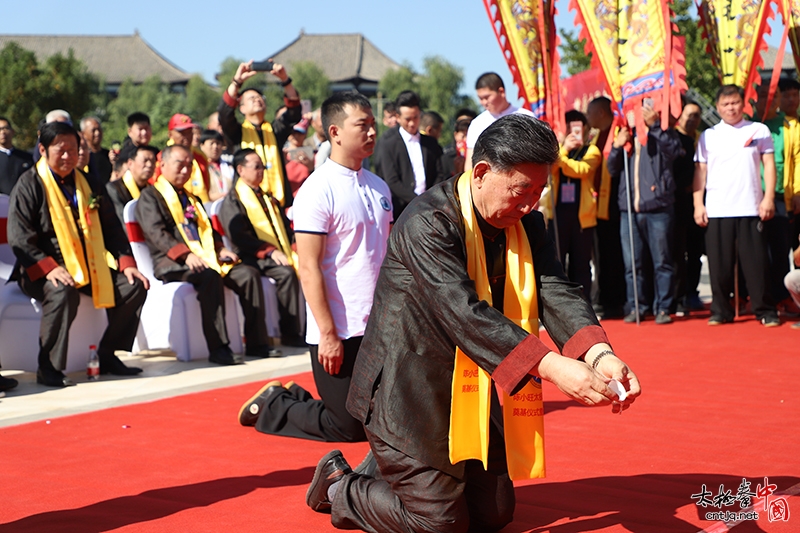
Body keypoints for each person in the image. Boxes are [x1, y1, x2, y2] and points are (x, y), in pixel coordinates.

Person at [305, 114, 640, 532]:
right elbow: (464, 313)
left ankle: (392, 467)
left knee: (494, 514)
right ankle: (342, 486)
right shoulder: (427, 221)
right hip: (406, 390)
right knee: (440, 525)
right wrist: (553, 367)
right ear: (480, 173)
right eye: (521, 190)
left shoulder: (526, 222)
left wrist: (598, 352)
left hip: (471, 385)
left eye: (539, 192)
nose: (530, 204)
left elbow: (555, 289)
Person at [238, 92, 392, 442]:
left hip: (380, 324)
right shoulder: (317, 190)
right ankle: (276, 403)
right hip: (338, 325)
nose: (371, 133)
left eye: (373, 125)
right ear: (335, 132)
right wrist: (327, 333)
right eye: (362, 126)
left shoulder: (379, 188)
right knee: (347, 428)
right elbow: (308, 267)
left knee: (385, 420)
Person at [7, 122, 149, 387]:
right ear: (42, 150)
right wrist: (49, 268)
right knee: (62, 290)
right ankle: (48, 366)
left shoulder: (89, 182)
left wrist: (126, 263)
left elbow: (112, 230)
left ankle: (107, 354)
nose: (67, 156)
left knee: (134, 286)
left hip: (88, 266)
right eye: (60, 150)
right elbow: (19, 238)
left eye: (73, 149)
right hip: (41, 270)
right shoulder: (29, 184)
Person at [136, 144, 277, 364]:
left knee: (248, 274)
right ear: (162, 164)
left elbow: (209, 232)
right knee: (210, 278)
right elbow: (157, 233)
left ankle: (257, 343)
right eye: (179, 165)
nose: (184, 170)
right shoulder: (149, 196)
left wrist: (221, 249)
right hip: (173, 262)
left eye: (188, 166)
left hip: (206, 258)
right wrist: (185, 255)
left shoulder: (193, 199)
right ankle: (219, 348)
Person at [693, 85, 780, 326]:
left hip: (751, 207)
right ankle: (721, 310)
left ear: (743, 104)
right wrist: (698, 204)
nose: (730, 108)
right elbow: (700, 172)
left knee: (757, 264)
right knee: (719, 265)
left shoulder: (758, 130)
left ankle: (764, 310)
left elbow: (769, 166)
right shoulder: (708, 135)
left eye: (735, 103)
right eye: (725, 104)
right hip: (718, 208)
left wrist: (768, 197)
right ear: (718, 107)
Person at [218, 148, 305, 347]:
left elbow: (285, 226)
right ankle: (285, 334)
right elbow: (239, 237)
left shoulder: (266, 197)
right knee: (285, 273)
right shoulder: (233, 201)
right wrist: (270, 251)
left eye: (262, 167)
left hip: (273, 254)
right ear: (240, 169)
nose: (261, 171)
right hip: (250, 256)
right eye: (256, 167)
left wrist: (295, 245)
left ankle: (300, 329)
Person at [607, 101, 682, 324]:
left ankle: (664, 308)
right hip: (629, 209)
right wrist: (617, 146)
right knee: (633, 263)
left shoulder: (662, 131)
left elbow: (675, 152)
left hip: (658, 207)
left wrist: (656, 127)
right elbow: (612, 169)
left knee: (662, 261)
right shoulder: (626, 135)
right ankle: (637, 306)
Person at [218, 60, 301, 208]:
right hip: (247, 205)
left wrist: (285, 80)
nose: (257, 100)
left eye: (260, 98)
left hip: (278, 202)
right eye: (251, 98)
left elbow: (294, 112)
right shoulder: (237, 133)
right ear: (242, 108)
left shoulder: (274, 130)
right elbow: (224, 112)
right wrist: (237, 81)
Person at [542, 110, 601, 301]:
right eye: (569, 126)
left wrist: (562, 157)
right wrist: (563, 149)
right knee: (557, 261)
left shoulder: (591, 150)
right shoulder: (556, 150)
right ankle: (559, 303)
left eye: (577, 127)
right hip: (558, 214)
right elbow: (549, 168)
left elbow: (583, 169)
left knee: (581, 264)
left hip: (582, 217)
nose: (573, 131)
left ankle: (584, 305)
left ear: (585, 129)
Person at [754, 83, 800, 314]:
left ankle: (782, 297)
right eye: (763, 96)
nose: (769, 101)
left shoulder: (790, 125)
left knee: (780, 249)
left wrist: (798, 190)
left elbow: (797, 159)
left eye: (774, 97)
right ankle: (752, 296)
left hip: (781, 197)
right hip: (749, 198)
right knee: (754, 251)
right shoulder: (748, 125)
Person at [372, 90, 445, 219]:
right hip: (400, 212)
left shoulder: (431, 143)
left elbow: (440, 173)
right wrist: (416, 201)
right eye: (407, 119)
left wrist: (429, 198)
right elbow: (391, 180)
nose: (412, 123)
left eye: (415, 117)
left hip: (429, 210)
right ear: (398, 117)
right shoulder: (388, 144)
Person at [586, 96, 626, 318]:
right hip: (597, 205)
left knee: (614, 254)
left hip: (614, 203)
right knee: (601, 254)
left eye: (590, 112)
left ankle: (615, 300)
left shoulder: (617, 133)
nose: (587, 116)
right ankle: (604, 298)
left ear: (601, 112)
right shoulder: (596, 136)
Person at [672, 100, 706, 315]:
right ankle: (678, 296)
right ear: (680, 115)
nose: (693, 119)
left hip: (698, 205)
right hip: (677, 205)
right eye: (689, 114)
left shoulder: (702, 139)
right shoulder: (672, 138)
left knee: (695, 253)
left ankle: (692, 292)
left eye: (697, 116)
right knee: (677, 254)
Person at [464, 72, 534, 171]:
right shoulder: (477, 124)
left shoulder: (526, 117)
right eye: (480, 98)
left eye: (487, 97)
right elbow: (470, 163)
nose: (483, 102)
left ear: (501, 92)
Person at [153, 114, 212, 203]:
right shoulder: (162, 158)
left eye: (189, 132)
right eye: (182, 132)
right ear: (170, 134)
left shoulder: (200, 157)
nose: (187, 136)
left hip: (201, 206)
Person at [106, 145, 157, 226]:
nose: (150, 165)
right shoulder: (114, 189)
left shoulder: (153, 191)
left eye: (153, 161)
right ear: (130, 164)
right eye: (145, 160)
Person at [0, 116, 34, 195]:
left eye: (5, 128)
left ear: (12, 131)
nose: (3, 132)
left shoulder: (26, 158)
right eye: (0, 129)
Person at [199, 130, 232, 201]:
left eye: (218, 143)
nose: (215, 147)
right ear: (202, 146)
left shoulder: (229, 166)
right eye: (212, 143)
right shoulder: (198, 167)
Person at [80, 117, 112, 183]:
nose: (97, 133)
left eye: (99, 129)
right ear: (83, 134)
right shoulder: (82, 157)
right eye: (93, 130)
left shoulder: (109, 155)